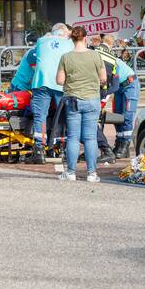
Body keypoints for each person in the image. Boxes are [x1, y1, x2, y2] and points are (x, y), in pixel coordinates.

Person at [56, 26, 107, 182]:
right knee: (90, 137)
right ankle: (92, 174)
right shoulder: (96, 56)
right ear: (85, 38)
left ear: (72, 39)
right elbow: (103, 78)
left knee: (72, 137)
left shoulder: (66, 57)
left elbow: (59, 80)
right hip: (92, 99)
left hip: (73, 100)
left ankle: (71, 172)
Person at [27, 23, 73, 164]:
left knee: (40, 115)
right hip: (61, 83)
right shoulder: (69, 43)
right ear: (65, 33)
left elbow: (32, 58)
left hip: (42, 80)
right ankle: (66, 148)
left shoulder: (41, 41)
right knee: (66, 115)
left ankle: (39, 150)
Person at [98, 35, 139, 159]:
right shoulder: (103, 60)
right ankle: (119, 142)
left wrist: (103, 96)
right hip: (120, 87)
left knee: (126, 115)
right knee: (117, 115)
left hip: (130, 85)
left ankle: (125, 144)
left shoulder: (109, 62)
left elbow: (113, 86)